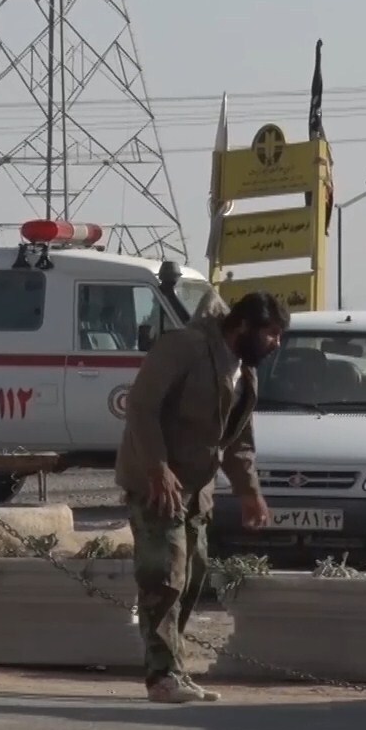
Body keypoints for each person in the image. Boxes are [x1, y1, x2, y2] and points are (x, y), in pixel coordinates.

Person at [115, 290, 286, 704]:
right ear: (243, 326)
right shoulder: (185, 348)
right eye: (271, 334)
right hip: (155, 483)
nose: (276, 343)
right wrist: (157, 467)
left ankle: (174, 669)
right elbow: (141, 406)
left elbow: (239, 441)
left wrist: (250, 494)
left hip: (196, 491)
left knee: (192, 574)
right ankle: (162, 677)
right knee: (164, 576)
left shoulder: (245, 374)